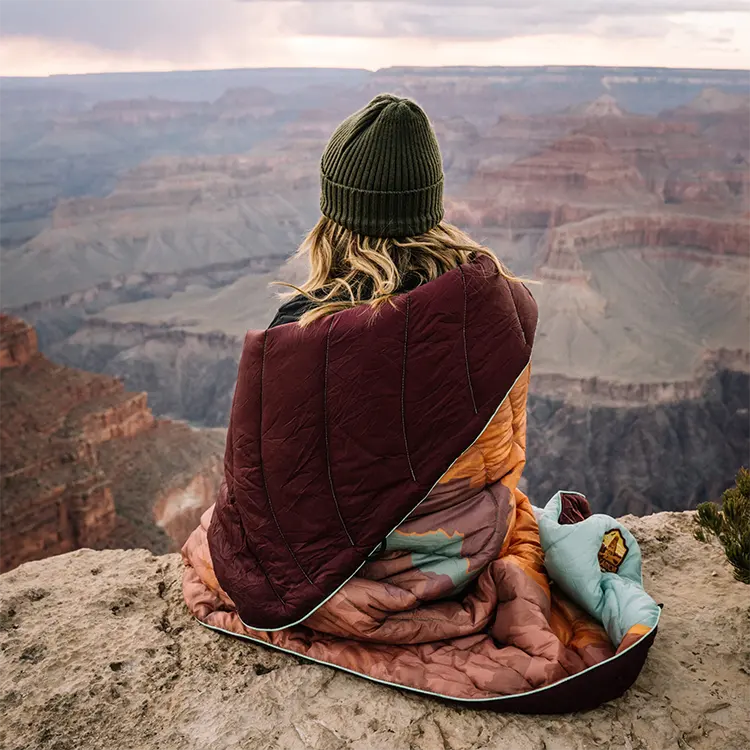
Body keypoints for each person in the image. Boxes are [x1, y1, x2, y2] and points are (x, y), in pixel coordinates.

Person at [182, 93, 660, 713]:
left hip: (349, 584)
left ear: (334, 213)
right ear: (430, 205)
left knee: (210, 541)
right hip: (465, 559)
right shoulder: (496, 308)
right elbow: (503, 458)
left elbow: (265, 501)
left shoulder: (299, 336)